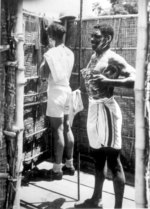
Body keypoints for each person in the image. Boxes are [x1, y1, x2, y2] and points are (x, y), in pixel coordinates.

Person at [75, 24, 135, 208]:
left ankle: (117, 207)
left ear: (108, 38)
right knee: (98, 157)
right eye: (91, 37)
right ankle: (97, 198)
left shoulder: (113, 58)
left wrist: (109, 81)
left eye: (96, 37)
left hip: (107, 110)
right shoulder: (94, 56)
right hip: (94, 108)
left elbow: (135, 78)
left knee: (113, 161)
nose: (91, 40)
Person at [39, 23, 75, 181]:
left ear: (51, 36)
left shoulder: (51, 53)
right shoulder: (70, 53)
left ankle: (56, 170)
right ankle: (70, 164)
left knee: (58, 130)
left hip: (56, 92)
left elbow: (43, 74)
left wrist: (42, 63)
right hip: (68, 91)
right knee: (67, 127)